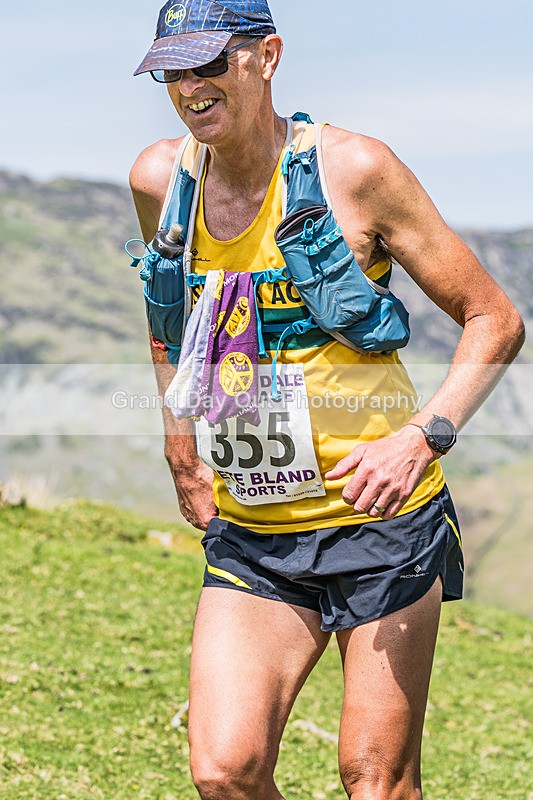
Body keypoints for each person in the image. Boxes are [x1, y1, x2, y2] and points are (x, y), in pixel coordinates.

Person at [129, 2, 525, 798]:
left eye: (210, 63)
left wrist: (422, 438)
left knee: (375, 781)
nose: (189, 86)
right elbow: (168, 318)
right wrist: (178, 440)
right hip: (255, 531)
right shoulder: (160, 179)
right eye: (172, 70)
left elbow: (495, 320)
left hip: (383, 525)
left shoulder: (355, 170)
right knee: (223, 772)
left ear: (266, 56)